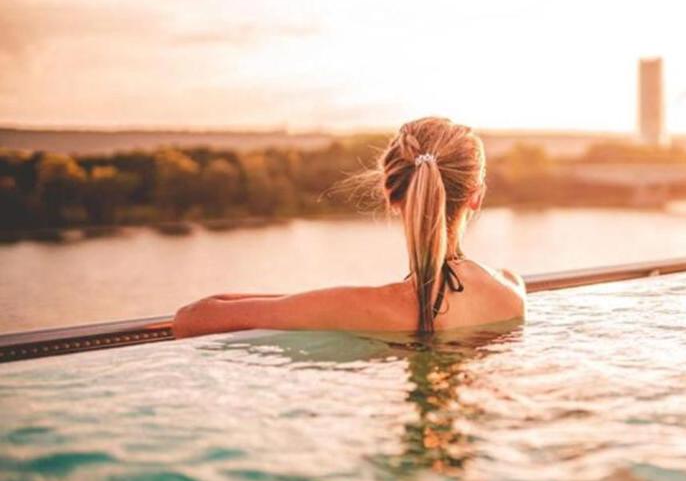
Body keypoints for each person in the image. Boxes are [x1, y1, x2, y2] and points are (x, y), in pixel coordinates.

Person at [172, 117, 526, 339]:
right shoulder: (512, 290)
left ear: (391, 194)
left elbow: (191, 319)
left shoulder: (368, 307)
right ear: (476, 196)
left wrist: (299, 303)